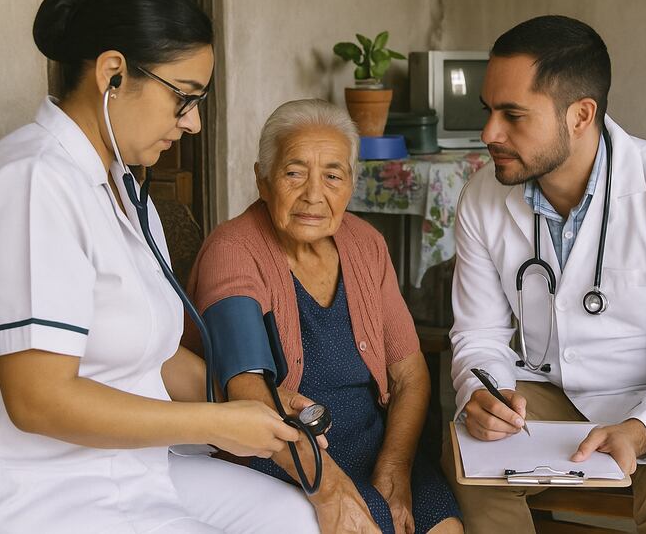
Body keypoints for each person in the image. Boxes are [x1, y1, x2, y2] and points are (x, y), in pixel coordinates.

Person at [0, 0, 319, 533]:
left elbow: (153, 353)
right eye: (184, 97)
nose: (192, 122)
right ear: (113, 74)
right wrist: (214, 424)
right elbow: (38, 399)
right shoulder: (30, 185)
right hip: (32, 491)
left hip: (122, 469)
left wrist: (259, 406)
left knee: (291, 516)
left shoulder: (125, 190)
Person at [442, 15, 646, 534]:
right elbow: (479, 334)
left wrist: (642, 430)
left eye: (513, 115)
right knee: (464, 467)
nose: (489, 133)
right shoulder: (483, 196)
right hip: (545, 390)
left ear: (581, 115)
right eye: (488, 111)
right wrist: (481, 392)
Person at [187, 99, 462, 534]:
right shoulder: (234, 251)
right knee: (372, 524)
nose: (314, 194)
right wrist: (327, 482)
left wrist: (394, 467)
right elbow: (247, 389)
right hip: (281, 450)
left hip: (375, 444)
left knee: (444, 527)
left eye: (332, 176)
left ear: (351, 183)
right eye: (294, 173)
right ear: (263, 180)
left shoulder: (365, 244)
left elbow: (410, 373)